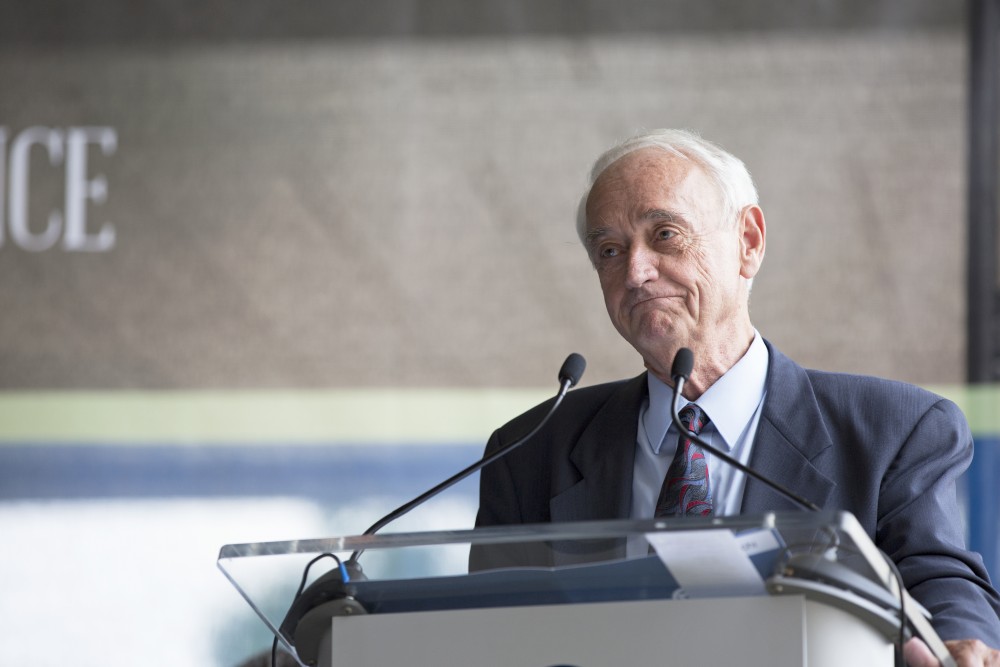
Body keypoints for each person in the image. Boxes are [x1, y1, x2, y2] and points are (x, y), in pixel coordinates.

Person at [471, 129, 1000, 666]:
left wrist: (958, 643)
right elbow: (484, 634)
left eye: (666, 234)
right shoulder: (529, 452)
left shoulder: (894, 429)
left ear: (748, 241)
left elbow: (940, 577)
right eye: (610, 250)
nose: (634, 271)